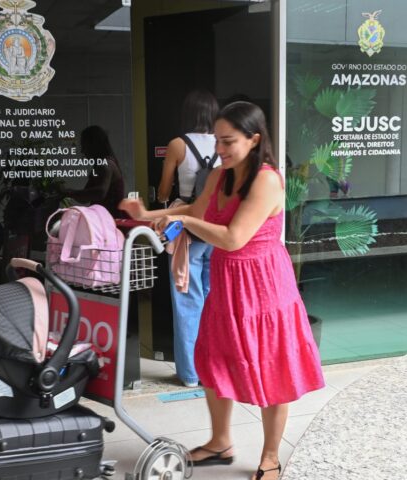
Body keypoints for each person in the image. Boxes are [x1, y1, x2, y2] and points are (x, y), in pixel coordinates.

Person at [120, 101, 324, 480]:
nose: (220, 149)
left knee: (270, 367)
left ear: (254, 139)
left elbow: (233, 238)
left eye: (228, 141)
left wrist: (178, 220)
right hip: (228, 281)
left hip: (263, 285)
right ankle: (220, 441)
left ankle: (270, 457)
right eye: (217, 140)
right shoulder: (219, 175)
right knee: (214, 362)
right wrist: (145, 215)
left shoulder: (267, 179)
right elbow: (196, 213)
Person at [155, 89, 220, 388]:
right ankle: (211, 369)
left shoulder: (178, 144)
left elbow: (164, 191)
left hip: (186, 228)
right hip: (217, 227)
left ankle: (190, 374)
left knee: (186, 298)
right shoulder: (225, 144)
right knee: (212, 300)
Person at [61, 125, 125, 217]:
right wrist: (68, 193)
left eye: (84, 146)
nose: (82, 151)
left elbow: (100, 193)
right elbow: (85, 198)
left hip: (110, 221)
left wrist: (69, 192)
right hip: (103, 219)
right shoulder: (102, 165)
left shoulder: (105, 165)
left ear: (94, 145)